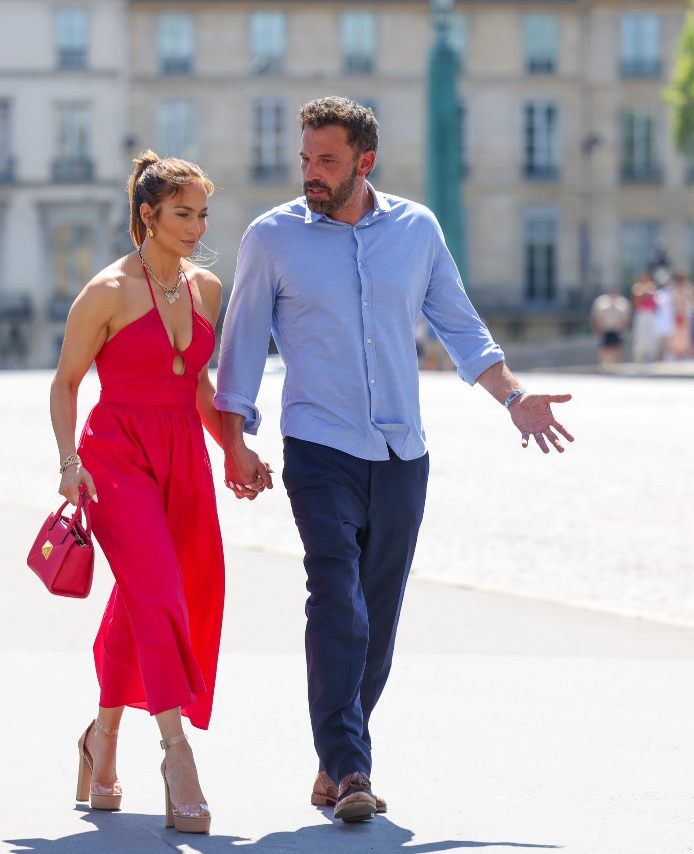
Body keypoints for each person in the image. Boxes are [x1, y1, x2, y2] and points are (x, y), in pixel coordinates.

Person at [214, 96, 575, 824]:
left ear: (364, 163)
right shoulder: (272, 238)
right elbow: (242, 345)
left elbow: (461, 326)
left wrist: (514, 397)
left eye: (328, 161)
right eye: (306, 159)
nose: (311, 174)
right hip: (319, 447)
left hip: (402, 451)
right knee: (336, 600)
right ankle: (352, 767)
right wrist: (235, 442)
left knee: (377, 620)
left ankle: (331, 758)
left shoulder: (417, 229)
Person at [49, 152, 264, 835]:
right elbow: (65, 382)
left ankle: (100, 739)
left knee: (164, 590)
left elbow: (196, 384)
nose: (197, 227)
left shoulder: (205, 287)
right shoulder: (107, 290)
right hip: (114, 454)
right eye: (183, 213)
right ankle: (176, 752)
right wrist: (65, 463)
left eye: (203, 214)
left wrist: (233, 445)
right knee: (159, 590)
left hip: (184, 453)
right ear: (147, 214)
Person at [590, 284, 631, 366]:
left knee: (616, 349)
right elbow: (595, 317)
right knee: (604, 349)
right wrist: (597, 330)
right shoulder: (601, 301)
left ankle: (616, 365)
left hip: (617, 330)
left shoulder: (622, 302)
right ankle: (604, 365)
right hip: (605, 329)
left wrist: (624, 329)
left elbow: (626, 318)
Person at [630, 270, 658, 363]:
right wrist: (644, 294)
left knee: (651, 336)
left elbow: (654, 298)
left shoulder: (652, 286)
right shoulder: (637, 287)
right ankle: (639, 357)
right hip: (641, 313)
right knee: (640, 335)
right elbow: (637, 299)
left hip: (650, 313)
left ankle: (650, 356)